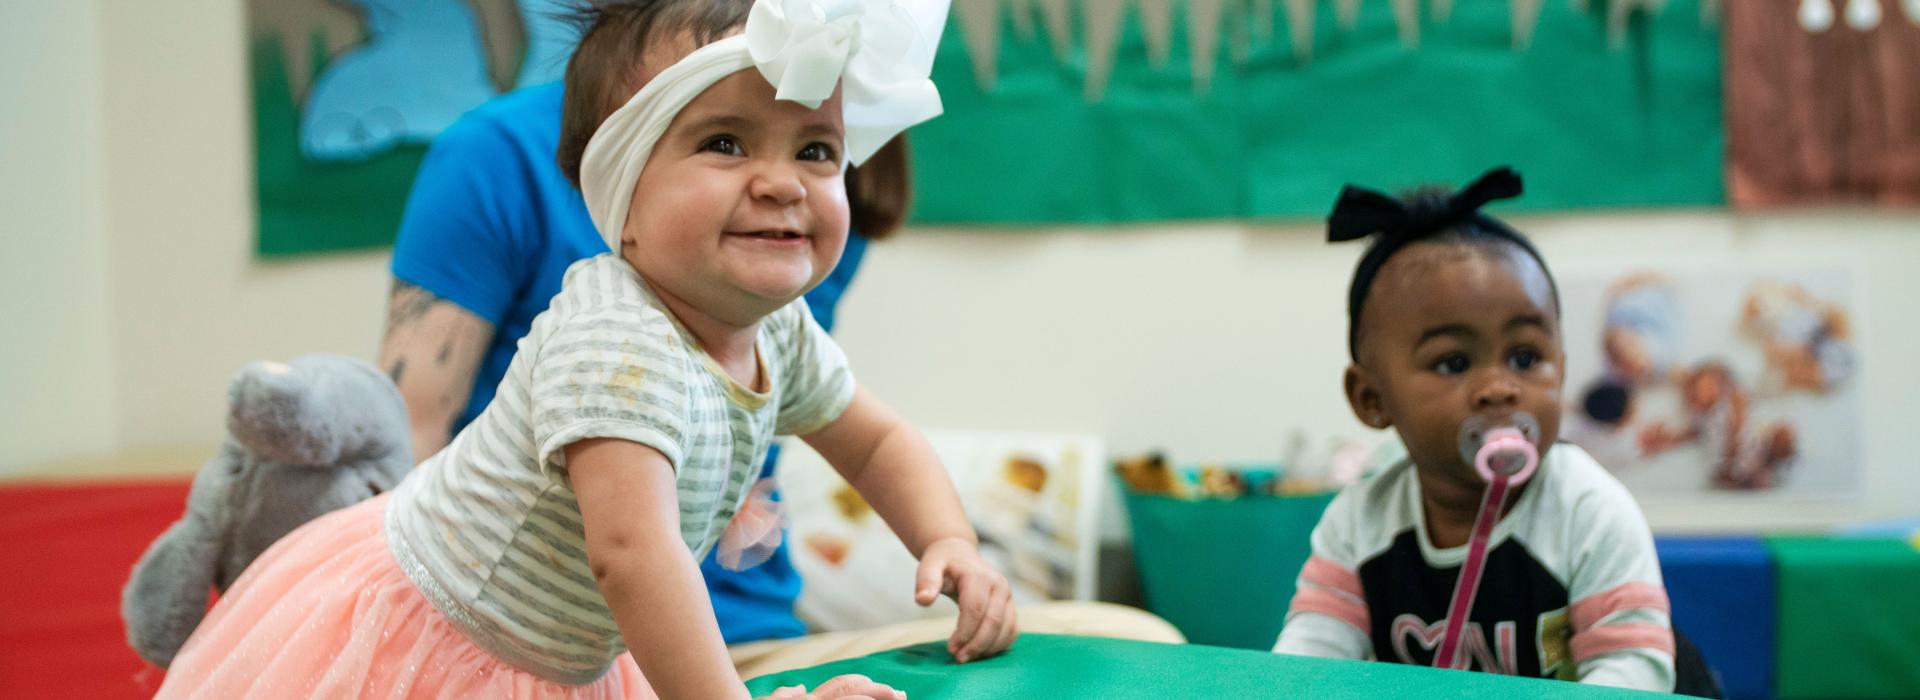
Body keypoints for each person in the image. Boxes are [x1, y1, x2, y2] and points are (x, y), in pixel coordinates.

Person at [157, 1, 1011, 697]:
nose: (783, 180)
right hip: (444, 638)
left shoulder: (778, 328)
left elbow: (875, 438)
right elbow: (633, 555)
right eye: (724, 143)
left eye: (816, 150)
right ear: (622, 200)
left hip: (572, 652)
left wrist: (950, 542)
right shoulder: (616, 342)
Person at [1272, 168, 1676, 692]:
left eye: (1526, 356)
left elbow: (1633, 670)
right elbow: (1307, 664)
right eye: (1453, 363)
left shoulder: (1588, 512)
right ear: (1372, 400)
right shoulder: (1359, 524)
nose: (1498, 388)